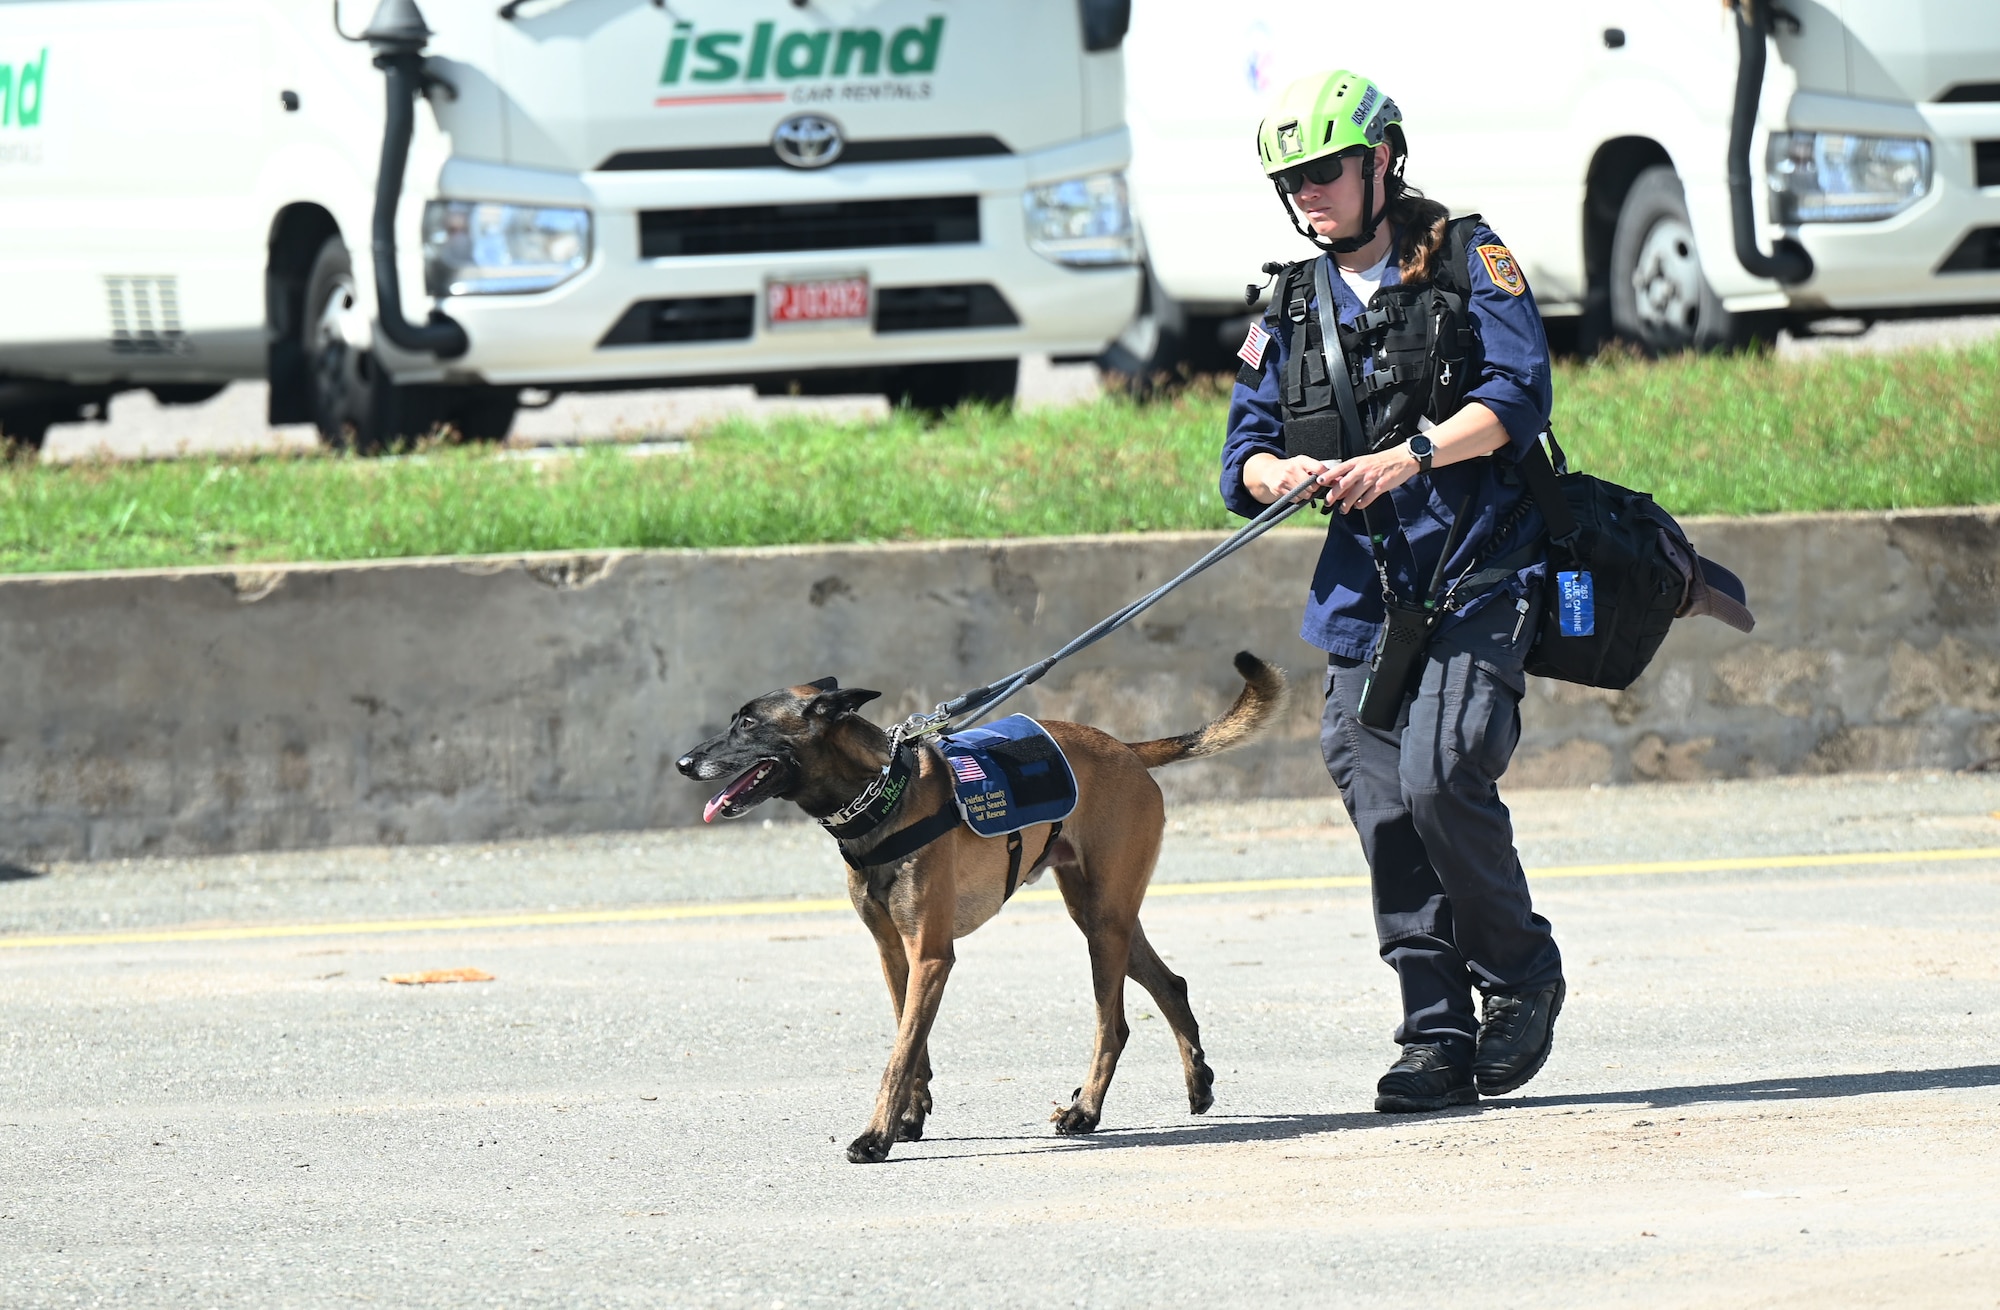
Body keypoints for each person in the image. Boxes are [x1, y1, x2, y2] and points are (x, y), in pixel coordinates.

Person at [1221, 70, 1566, 1112]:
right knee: (1379, 803)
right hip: (1363, 595)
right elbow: (1241, 453)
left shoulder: (1469, 258)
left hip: (1477, 567)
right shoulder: (1283, 301)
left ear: (1380, 160)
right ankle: (1433, 1030)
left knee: (1440, 772)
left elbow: (1518, 393)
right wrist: (1278, 476)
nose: (1307, 194)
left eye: (1323, 170)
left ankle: (1518, 977)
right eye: (1290, 179)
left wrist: (1411, 454)